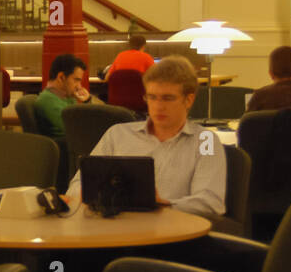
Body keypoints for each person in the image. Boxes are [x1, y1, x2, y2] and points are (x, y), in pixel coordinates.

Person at [66, 56, 225, 217]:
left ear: (188, 100)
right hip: (113, 227)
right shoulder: (118, 134)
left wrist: (164, 203)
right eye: (152, 97)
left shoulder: (206, 140)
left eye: (167, 98)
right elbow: (78, 184)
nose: (158, 106)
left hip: (172, 230)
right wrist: (82, 195)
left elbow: (210, 202)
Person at [35, 53, 91, 141]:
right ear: (61, 77)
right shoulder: (48, 101)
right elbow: (80, 130)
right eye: (76, 80)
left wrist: (87, 101)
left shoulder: (65, 98)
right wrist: (87, 103)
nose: (79, 86)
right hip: (66, 149)